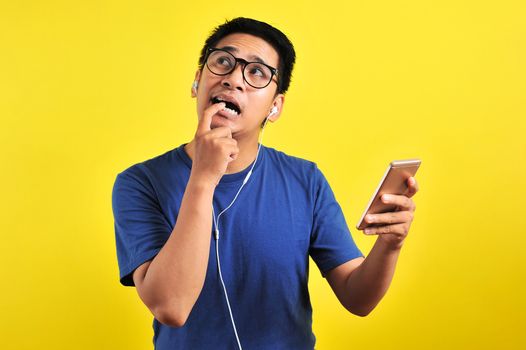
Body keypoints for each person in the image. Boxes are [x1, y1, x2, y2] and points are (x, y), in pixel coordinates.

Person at [112, 17, 419, 350]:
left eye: (257, 72)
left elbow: (358, 298)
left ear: (275, 106)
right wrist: (203, 177)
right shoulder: (140, 182)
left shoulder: (306, 180)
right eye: (223, 62)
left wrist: (390, 245)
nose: (233, 79)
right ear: (197, 81)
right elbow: (171, 307)